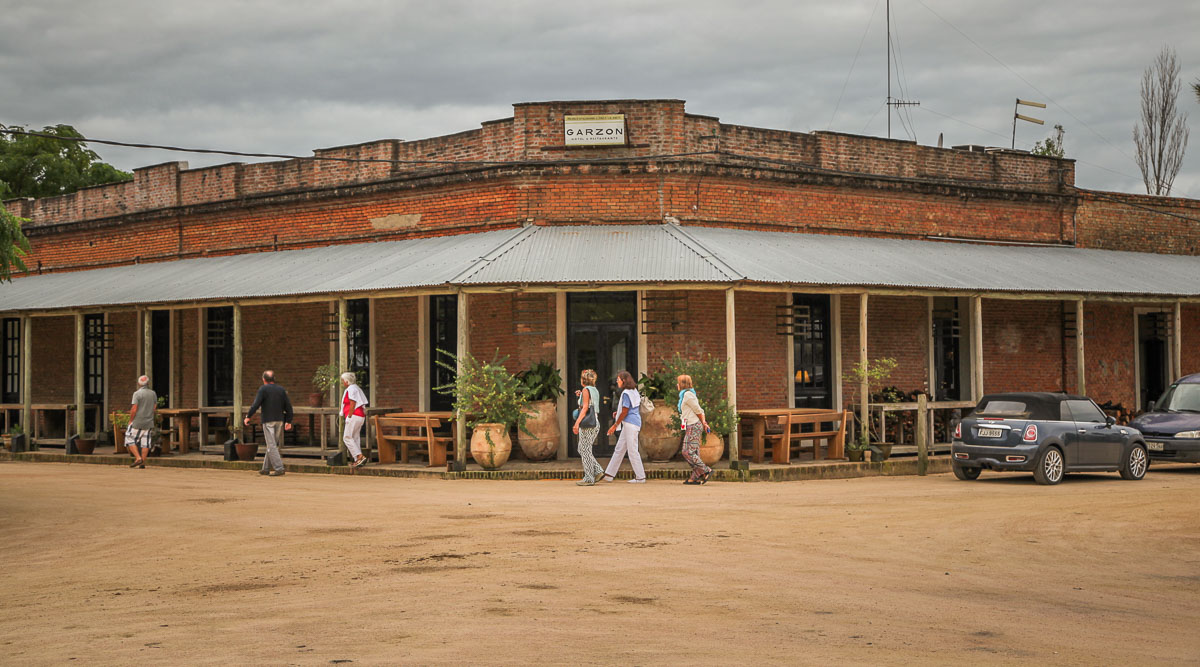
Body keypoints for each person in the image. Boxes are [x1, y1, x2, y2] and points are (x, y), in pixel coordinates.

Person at [244, 370, 294, 477]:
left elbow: (256, 404)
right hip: (280, 420)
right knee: (272, 445)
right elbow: (288, 406)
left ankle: (279, 468)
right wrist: (288, 421)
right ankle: (265, 468)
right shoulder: (281, 390)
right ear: (274, 379)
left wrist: (248, 416)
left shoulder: (263, 389)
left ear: (264, 380)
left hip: (268, 420)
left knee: (271, 445)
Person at [600, 370, 646, 484]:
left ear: (624, 380)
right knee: (619, 449)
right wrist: (618, 414)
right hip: (631, 423)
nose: (617, 381)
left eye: (618, 379)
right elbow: (629, 408)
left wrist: (614, 425)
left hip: (630, 424)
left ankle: (640, 477)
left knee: (632, 451)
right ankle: (609, 475)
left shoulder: (626, 393)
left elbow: (625, 411)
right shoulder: (634, 391)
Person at [676, 374, 713, 484]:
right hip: (690, 425)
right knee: (694, 452)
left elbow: (699, 410)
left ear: (682, 384)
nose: (677, 385)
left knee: (687, 451)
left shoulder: (688, 395)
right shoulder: (684, 395)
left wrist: (704, 423)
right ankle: (695, 477)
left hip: (694, 425)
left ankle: (706, 470)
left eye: (678, 382)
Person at [572, 369, 604, 486]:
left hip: (587, 424)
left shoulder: (586, 390)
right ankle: (598, 471)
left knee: (584, 450)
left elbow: (585, 408)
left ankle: (589, 478)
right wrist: (580, 396)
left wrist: (576, 424)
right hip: (595, 422)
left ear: (583, 380)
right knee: (583, 449)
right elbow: (590, 403)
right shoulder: (594, 390)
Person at [126, 375, 157, 468]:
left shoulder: (137, 394)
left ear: (139, 383)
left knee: (129, 438)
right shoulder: (153, 393)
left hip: (138, 421)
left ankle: (138, 458)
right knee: (146, 441)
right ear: (148, 383)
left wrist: (131, 420)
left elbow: (134, 408)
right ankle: (143, 462)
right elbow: (154, 407)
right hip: (149, 421)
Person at [340, 372, 369, 468]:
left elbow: (353, 402)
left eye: (343, 381)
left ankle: (360, 456)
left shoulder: (351, 389)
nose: (342, 382)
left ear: (347, 381)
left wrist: (349, 416)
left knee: (347, 437)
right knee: (355, 437)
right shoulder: (356, 388)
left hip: (354, 415)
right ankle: (358, 460)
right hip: (360, 416)